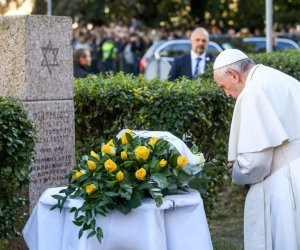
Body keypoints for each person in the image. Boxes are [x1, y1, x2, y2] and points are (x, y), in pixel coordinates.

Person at [213, 48, 300, 250]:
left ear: (234, 75)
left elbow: (255, 163)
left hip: (287, 181)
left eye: (223, 87)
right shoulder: (275, 77)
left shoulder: (253, 92)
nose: (226, 94)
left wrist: (236, 169)